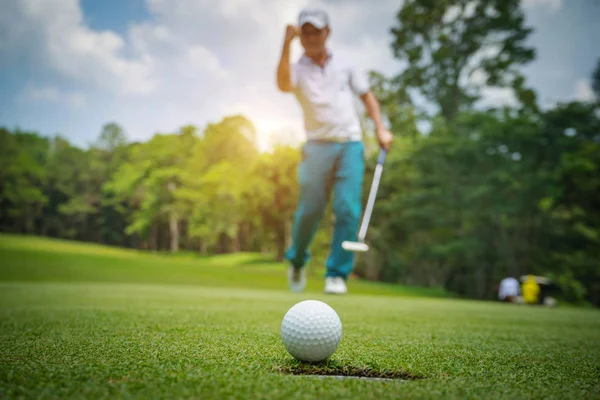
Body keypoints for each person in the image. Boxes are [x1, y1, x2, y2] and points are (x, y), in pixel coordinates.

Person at [276, 8, 393, 295]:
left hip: (350, 143)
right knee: (309, 211)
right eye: (306, 32)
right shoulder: (297, 67)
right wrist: (285, 44)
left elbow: (367, 97)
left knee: (347, 209)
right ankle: (297, 260)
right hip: (316, 145)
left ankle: (337, 274)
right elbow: (282, 85)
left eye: (316, 31)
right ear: (300, 35)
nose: (311, 37)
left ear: (327, 32)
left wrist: (380, 128)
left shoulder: (345, 63)